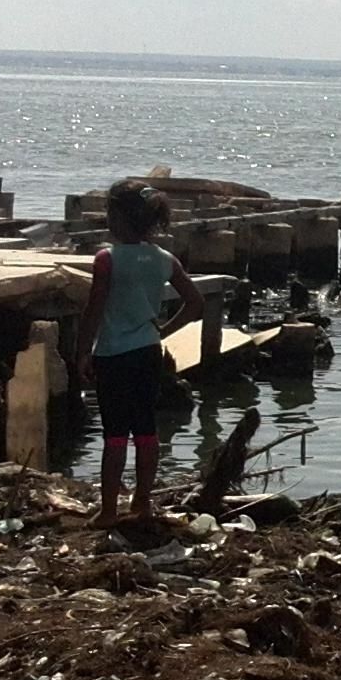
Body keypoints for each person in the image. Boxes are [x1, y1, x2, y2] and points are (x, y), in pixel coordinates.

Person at [78, 183, 207, 523]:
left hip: (113, 355)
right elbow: (196, 303)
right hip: (149, 352)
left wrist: (81, 353)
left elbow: (94, 310)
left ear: (118, 218)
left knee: (115, 435)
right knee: (147, 431)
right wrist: (164, 331)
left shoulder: (107, 260)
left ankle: (108, 511)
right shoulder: (165, 260)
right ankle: (142, 502)